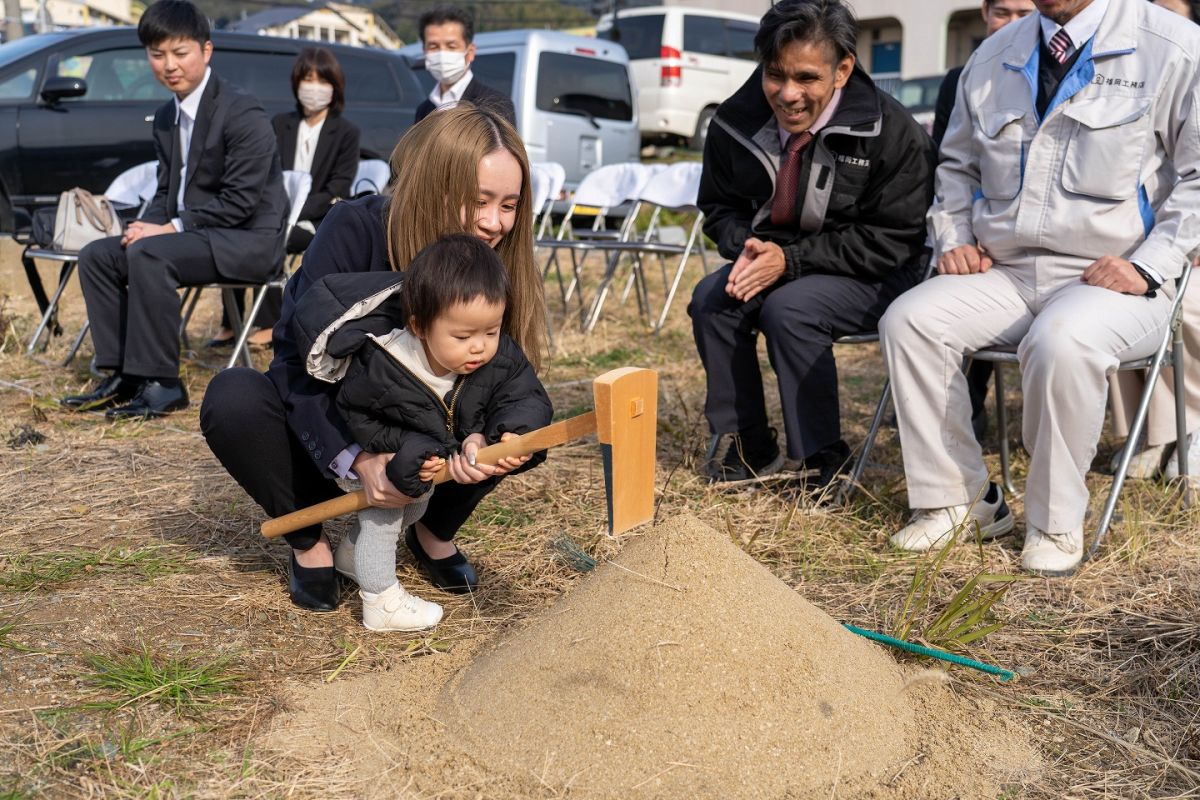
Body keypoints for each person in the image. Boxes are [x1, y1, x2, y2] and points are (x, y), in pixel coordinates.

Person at [880, 0, 1200, 575]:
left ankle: (1054, 523)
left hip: (1117, 279)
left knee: (1061, 342)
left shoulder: (1173, 46)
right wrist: (954, 235)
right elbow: (956, 166)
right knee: (909, 320)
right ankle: (959, 502)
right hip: (1005, 271)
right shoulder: (995, 53)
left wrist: (1151, 264)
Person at [200, 104, 546, 612]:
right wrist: (359, 460)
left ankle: (433, 530)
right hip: (333, 436)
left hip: (427, 451)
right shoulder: (355, 229)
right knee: (234, 398)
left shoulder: (490, 265)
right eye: (479, 201)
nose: (494, 223)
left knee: (518, 415)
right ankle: (311, 544)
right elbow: (297, 363)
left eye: (509, 205)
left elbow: (502, 378)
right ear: (434, 184)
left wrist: (489, 439)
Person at [688, 0, 934, 490]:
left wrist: (791, 260)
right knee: (713, 302)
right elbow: (718, 208)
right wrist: (751, 247)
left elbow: (894, 238)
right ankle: (747, 446)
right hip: (778, 258)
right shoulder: (734, 121)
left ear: (843, 69)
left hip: (876, 269)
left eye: (807, 78)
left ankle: (825, 459)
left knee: (790, 311)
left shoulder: (891, 131)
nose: (788, 94)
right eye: (774, 75)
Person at [291, 234, 553, 631]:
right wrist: (401, 451)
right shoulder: (384, 363)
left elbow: (522, 394)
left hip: (429, 459)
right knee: (389, 511)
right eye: (463, 337)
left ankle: (351, 555)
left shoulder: (498, 355)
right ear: (419, 326)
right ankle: (380, 601)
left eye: (491, 331)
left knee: (417, 505)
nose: (479, 348)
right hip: (384, 460)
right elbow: (358, 417)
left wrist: (507, 434)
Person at [60, 0, 287, 419]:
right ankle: (125, 373)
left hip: (247, 240)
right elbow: (167, 191)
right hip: (195, 235)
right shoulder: (166, 116)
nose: (169, 65)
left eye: (180, 53)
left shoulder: (242, 111)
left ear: (206, 50)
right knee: (100, 255)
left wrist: (169, 229)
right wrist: (145, 224)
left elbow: (242, 202)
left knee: (149, 252)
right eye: (157, 54)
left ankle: (163, 384)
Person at [931, 0, 1037, 442]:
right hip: (972, 234)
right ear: (983, 13)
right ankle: (954, 411)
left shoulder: (1046, 76)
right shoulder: (962, 78)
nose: (1011, 23)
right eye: (1002, 12)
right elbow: (948, 164)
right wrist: (957, 236)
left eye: (1023, 13)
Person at [209, 46, 361, 351]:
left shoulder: (346, 132)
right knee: (236, 234)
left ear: (335, 87)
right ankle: (232, 319)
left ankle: (269, 322)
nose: (314, 87)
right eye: (307, 78)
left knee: (269, 237)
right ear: (296, 82)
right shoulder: (280, 124)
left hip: (317, 218)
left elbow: (338, 186)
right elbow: (267, 171)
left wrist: (292, 210)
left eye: (322, 80)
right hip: (274, 209)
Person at [1106, 0, 1200, 483]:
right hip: (1160, 240)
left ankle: (1192, 429)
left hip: (1189, 246)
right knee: (1119, 286)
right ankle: (1156, 433)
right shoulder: (1128, 78)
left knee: (1188, 304)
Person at [413, 5, 516, 128]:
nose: (442, 54)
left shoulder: (494, 105)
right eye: (433, 46)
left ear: (470, 52)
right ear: (425, 52)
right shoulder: (424, 110)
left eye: (451, 46)